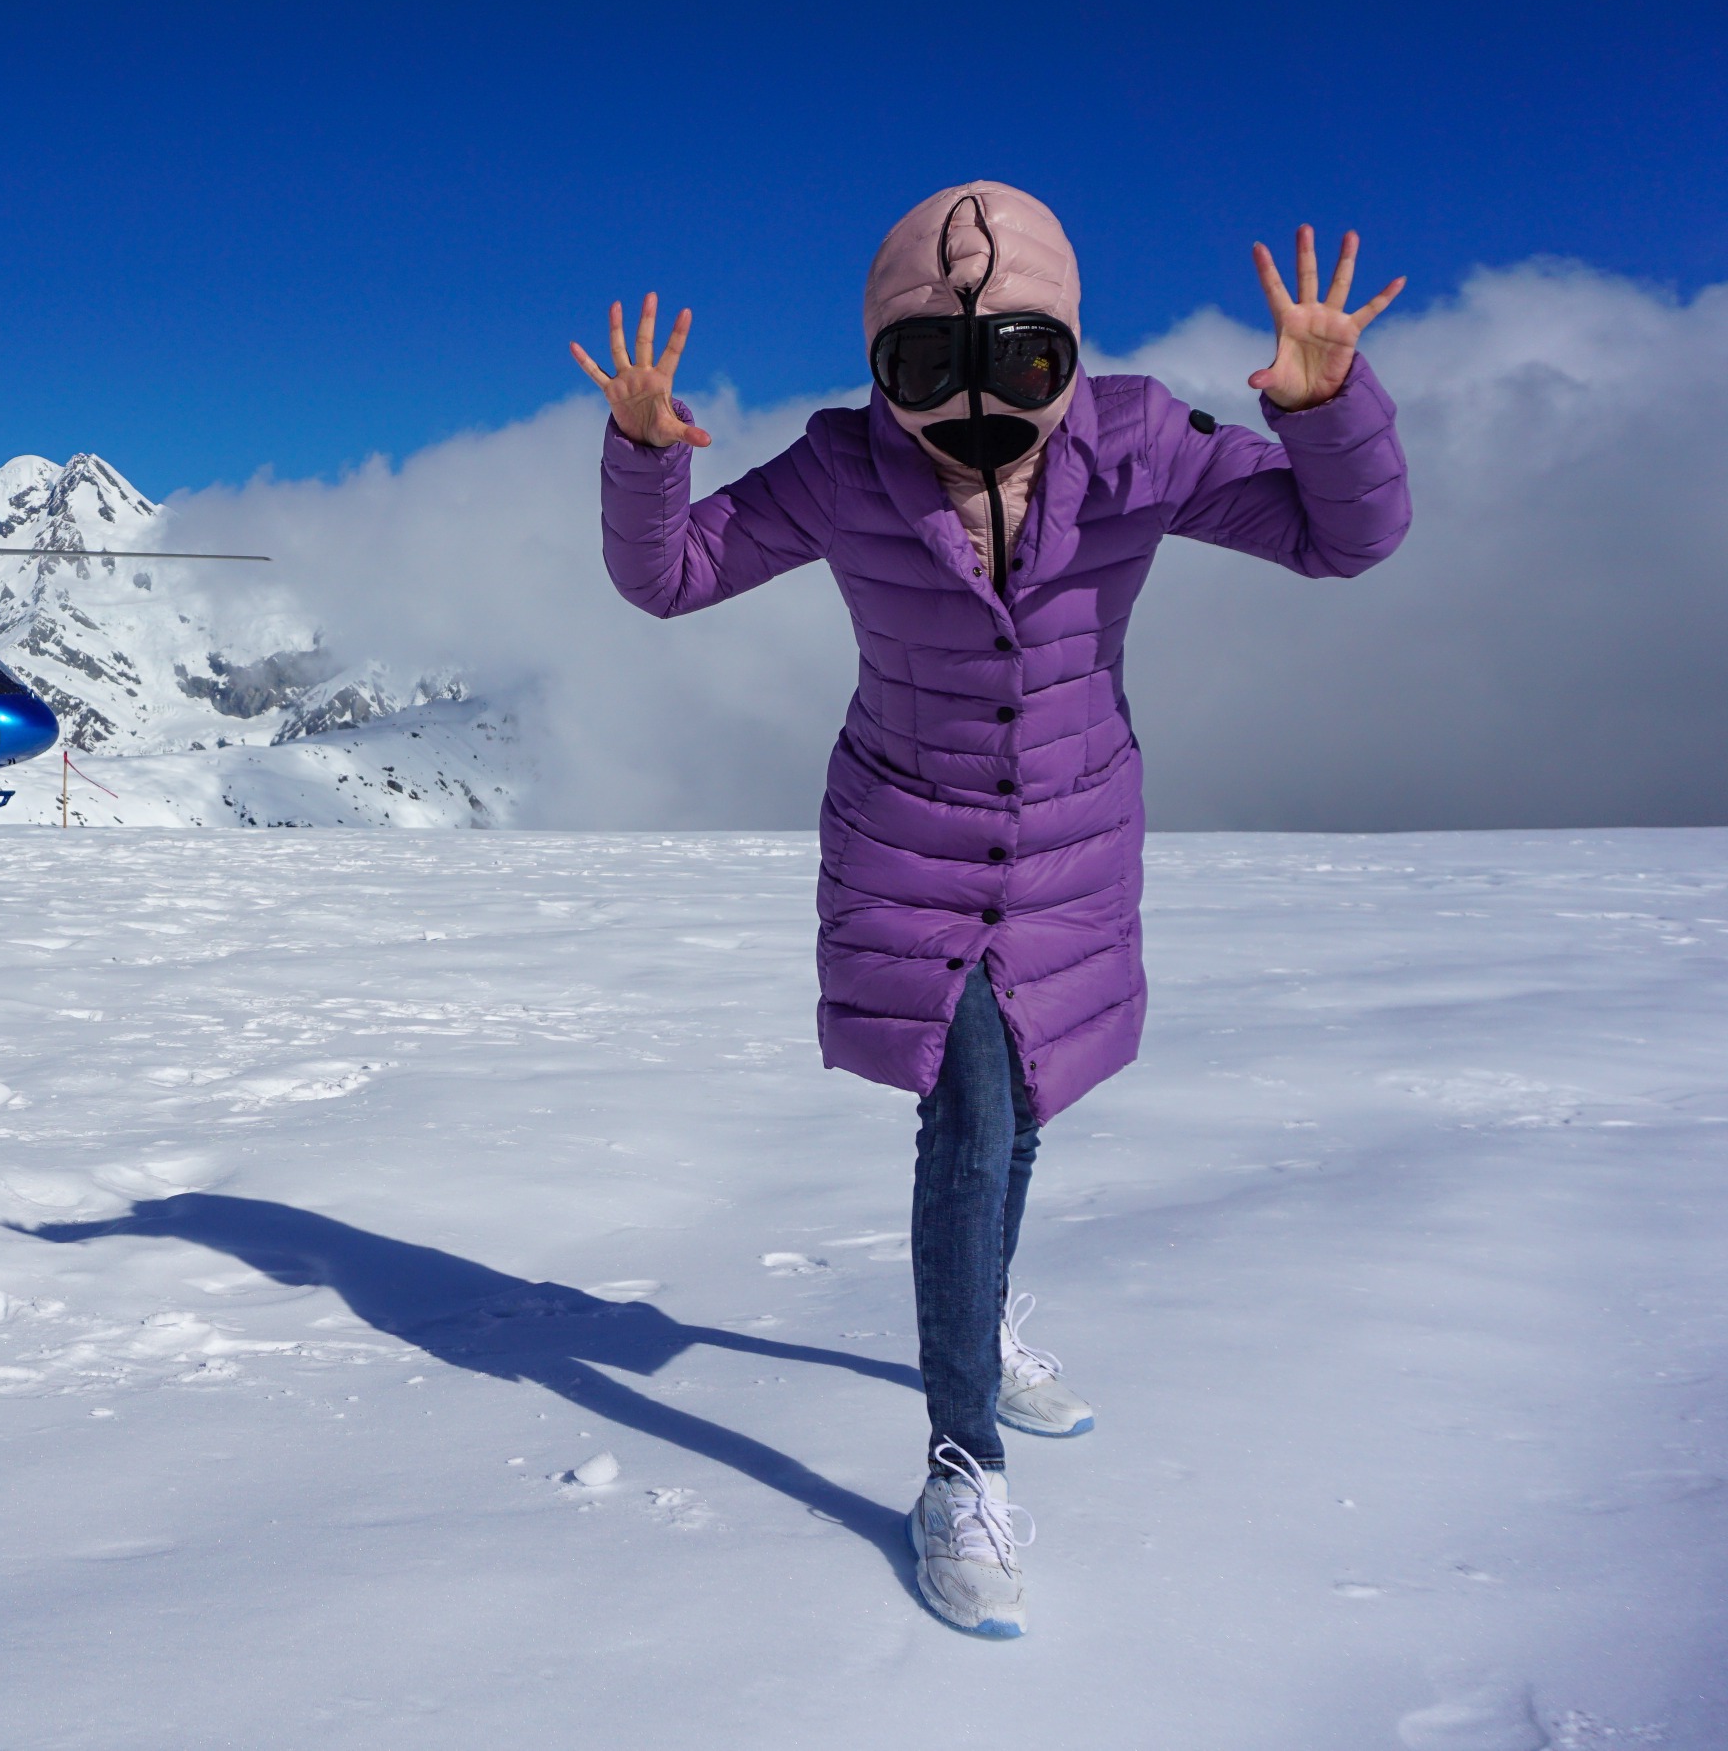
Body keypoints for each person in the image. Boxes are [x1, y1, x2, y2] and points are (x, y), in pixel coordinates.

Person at [580, 182, 1409, 1638]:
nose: (972, 402)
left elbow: (1339, 540)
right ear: (880, 364)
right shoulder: (845, 471)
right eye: (926, 366)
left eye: (1019, 361)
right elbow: (671, 577)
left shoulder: (1142, 443)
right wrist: (645, 458)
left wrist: (1328, 407)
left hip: (1073, 842)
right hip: (909, 834)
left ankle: (982, 1317)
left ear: (1069, 352)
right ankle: (961, 1461)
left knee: (1020, 1104)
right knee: (967, 1118)